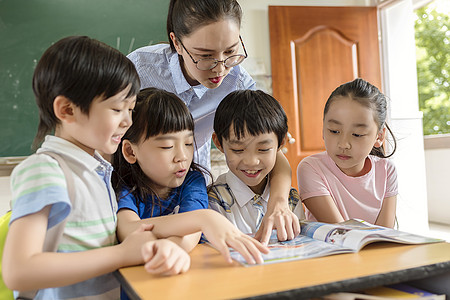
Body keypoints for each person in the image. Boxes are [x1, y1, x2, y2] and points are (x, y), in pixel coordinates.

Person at [127, 0, 298, 244]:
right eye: (205, 56)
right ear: (177, 43)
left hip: (191, 186)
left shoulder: (237, 81)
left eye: (230, 51)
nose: (221, 68)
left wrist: (279, 203)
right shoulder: (139, 70)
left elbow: (269, 145)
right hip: (138, 189)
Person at [2, 35, 154, 299]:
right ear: (67, 110)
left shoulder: (96, 170)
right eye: (118, 109)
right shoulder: (45, 170)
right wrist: (121, 254)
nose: (127, 121)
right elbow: (19, 270)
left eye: (131, 109)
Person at [111, 88, 269, 280]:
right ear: (130, 151)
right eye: (167, 146)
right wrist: (204, 218)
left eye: (188, 144)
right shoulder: (125, 187)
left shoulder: (192, 181)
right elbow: (129, 229)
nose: (182, 157)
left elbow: (192, 234)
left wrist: (173, 247)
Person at [297, 78, 398, 228]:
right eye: (334, 131)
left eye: (357, 134)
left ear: (379, 136)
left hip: (375, 251)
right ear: (323, 129)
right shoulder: (311, 167)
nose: (343, 144)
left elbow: (385, 235)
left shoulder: (387, 170)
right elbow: (342, 233)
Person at [208, 90, 305, 235]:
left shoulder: (289, 198)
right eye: (238, 149)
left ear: (281, 143)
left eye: (264, 149)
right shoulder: (214, 200)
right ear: (219, 143)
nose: (251, 162)